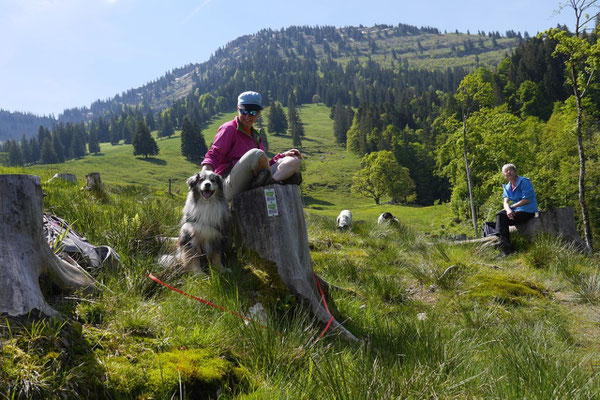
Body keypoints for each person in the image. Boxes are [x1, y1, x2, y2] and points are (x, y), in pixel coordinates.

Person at [201, 91, 302, 201]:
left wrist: (281, 156)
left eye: (252, 112)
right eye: (243, 111)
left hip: (252, 181)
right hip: (227, 184)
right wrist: (204, 178)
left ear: (259, 113)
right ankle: (268, 183)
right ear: (238, 109)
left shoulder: (255, 135)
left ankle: (270, 182)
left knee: (294, 160)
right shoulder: (229, 128)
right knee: (256, 153)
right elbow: (213, 155)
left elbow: (263, 166)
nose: (247, 116)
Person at [495, 163, 538, 255]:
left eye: (511, 170)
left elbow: (526, 200)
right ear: (504, 175)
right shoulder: (507, 187)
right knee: (500, 215)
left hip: (527, 212)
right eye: (506, 171)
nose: (508, 172)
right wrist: (508, 210)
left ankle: (505, 246)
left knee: (501, 216)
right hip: (516, 212)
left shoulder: (524, 182)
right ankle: (505, 246)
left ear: (515, 172)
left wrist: (512, 207)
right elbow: (505, 202)